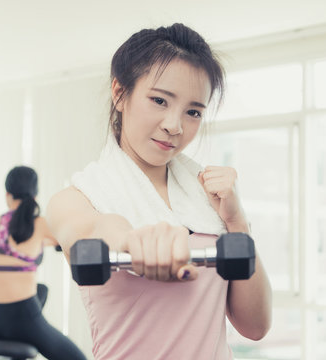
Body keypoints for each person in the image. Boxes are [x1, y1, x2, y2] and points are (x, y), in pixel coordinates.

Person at [46, 23, 272, 360]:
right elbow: (97, 230)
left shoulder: (209, 198)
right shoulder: (77, 198)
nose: (175, 125)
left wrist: (237, 223)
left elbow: (255, 326)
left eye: (193, 111)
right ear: (120, 94)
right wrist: (130, 242)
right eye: (159, 100)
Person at [0, 165, 86, 360]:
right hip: (21, 318)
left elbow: (13, 250)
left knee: (41, 290)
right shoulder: (40, 224)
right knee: (78, 358)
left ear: (7, 195)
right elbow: (72, 239)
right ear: (35, 196)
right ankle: (30, 333)